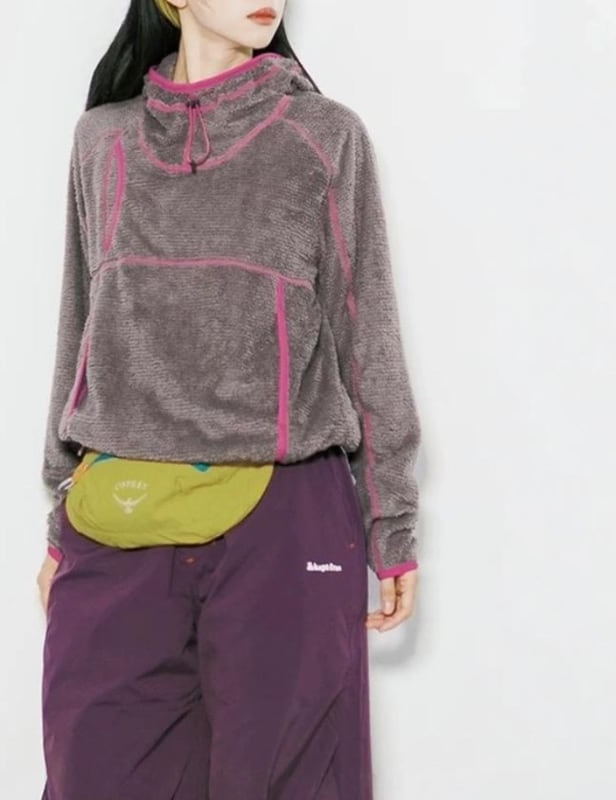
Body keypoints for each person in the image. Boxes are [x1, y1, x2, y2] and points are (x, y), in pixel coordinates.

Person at [36, 1, 422, 797]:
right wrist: (59, 517)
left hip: (284, 517)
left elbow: (367, 338)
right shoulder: (103, 142)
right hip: (120, 518)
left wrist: (392, 524)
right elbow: (81, 331)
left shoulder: (322, 137)